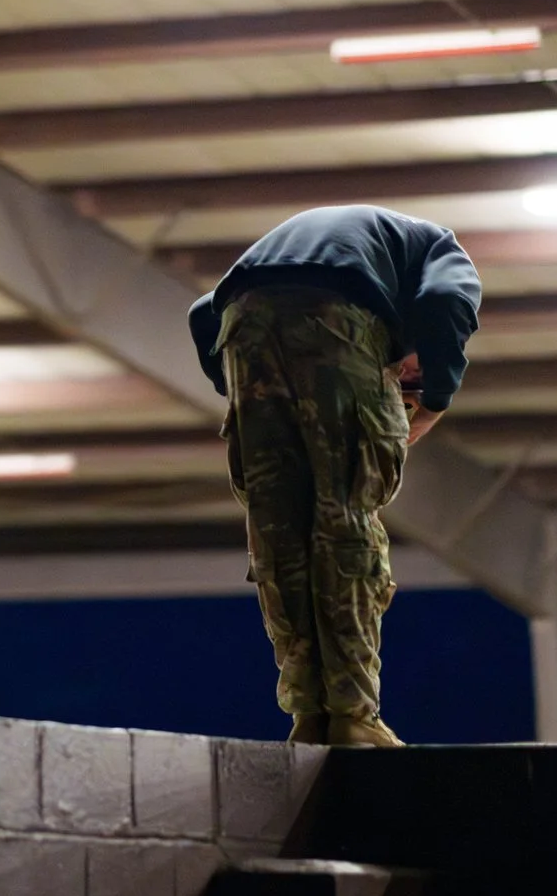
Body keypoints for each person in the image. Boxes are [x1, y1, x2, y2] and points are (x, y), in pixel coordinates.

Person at [188, 205, 481, 748]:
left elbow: (202, 314)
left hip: (243, 326)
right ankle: (351, 714)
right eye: (405, 380)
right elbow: (445, 304)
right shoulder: (439, 247)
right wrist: (437, 399)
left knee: (280, 534)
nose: (403, 383)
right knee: (345, 518)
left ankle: (308, 715)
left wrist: (251, 389)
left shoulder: (360, 243)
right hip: (336, 319)